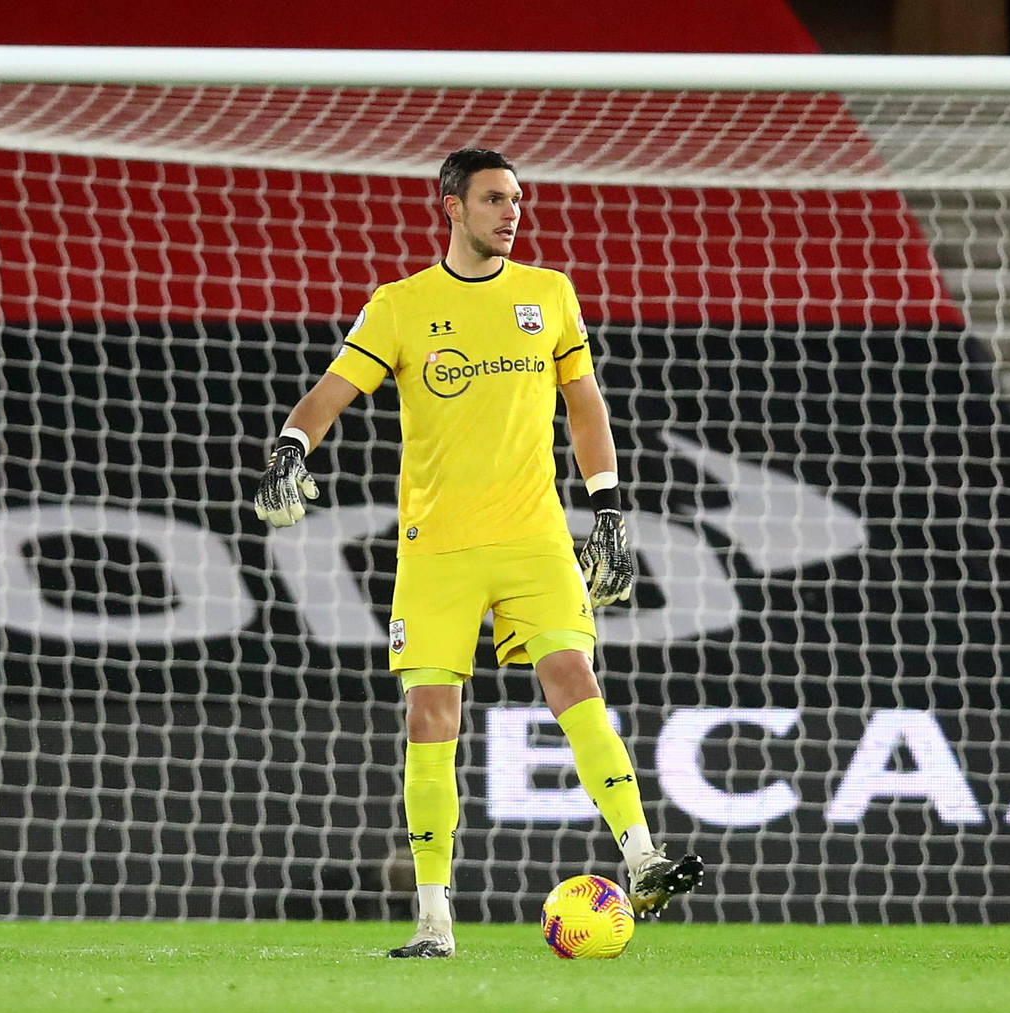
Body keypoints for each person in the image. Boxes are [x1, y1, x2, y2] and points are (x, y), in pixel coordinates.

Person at [253, 147, 703, 958]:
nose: (512, 211)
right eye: (495, 198)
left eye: (518, 199)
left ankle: (641, 855)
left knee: (575, 676)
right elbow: (333, 389)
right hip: (439, 548)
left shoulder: (549, 294)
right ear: (452, 207)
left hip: (535, 536)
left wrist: (608, 508)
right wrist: (292, 443)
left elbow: (585, 403)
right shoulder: (400, 305)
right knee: (432, 717)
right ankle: (434, 920)